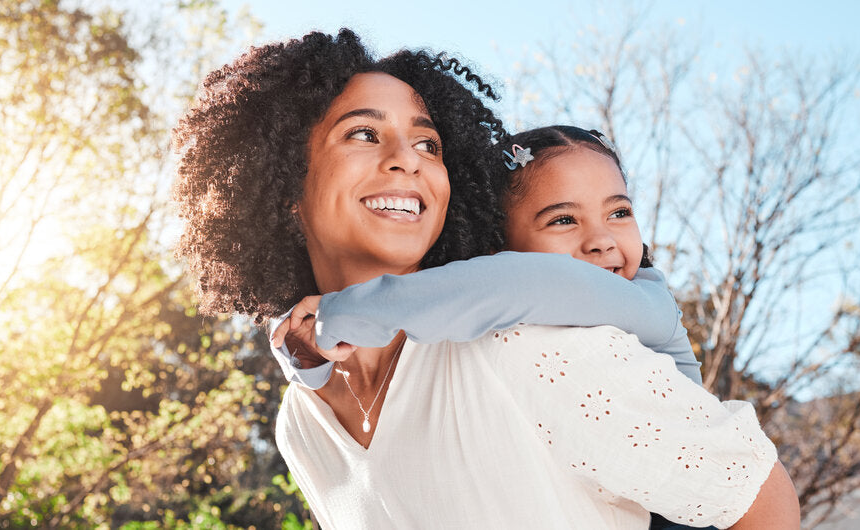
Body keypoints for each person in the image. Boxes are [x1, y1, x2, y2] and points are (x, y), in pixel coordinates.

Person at [172, 29, 800, 529]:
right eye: (364, 133)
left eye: (430, 144)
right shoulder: (301, 422)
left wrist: (346, 315)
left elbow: (759, 501)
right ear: (281, 182)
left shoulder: (530, 340)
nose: (407, 160)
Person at [267, 125, 703, 390]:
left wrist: (344, 312)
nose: (602, 239)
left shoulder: (649, 302)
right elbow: (462, 296)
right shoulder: (492, 318)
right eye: (563, 220)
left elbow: (522, 283)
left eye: (620, 212)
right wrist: (308, 355)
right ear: (496, 245)